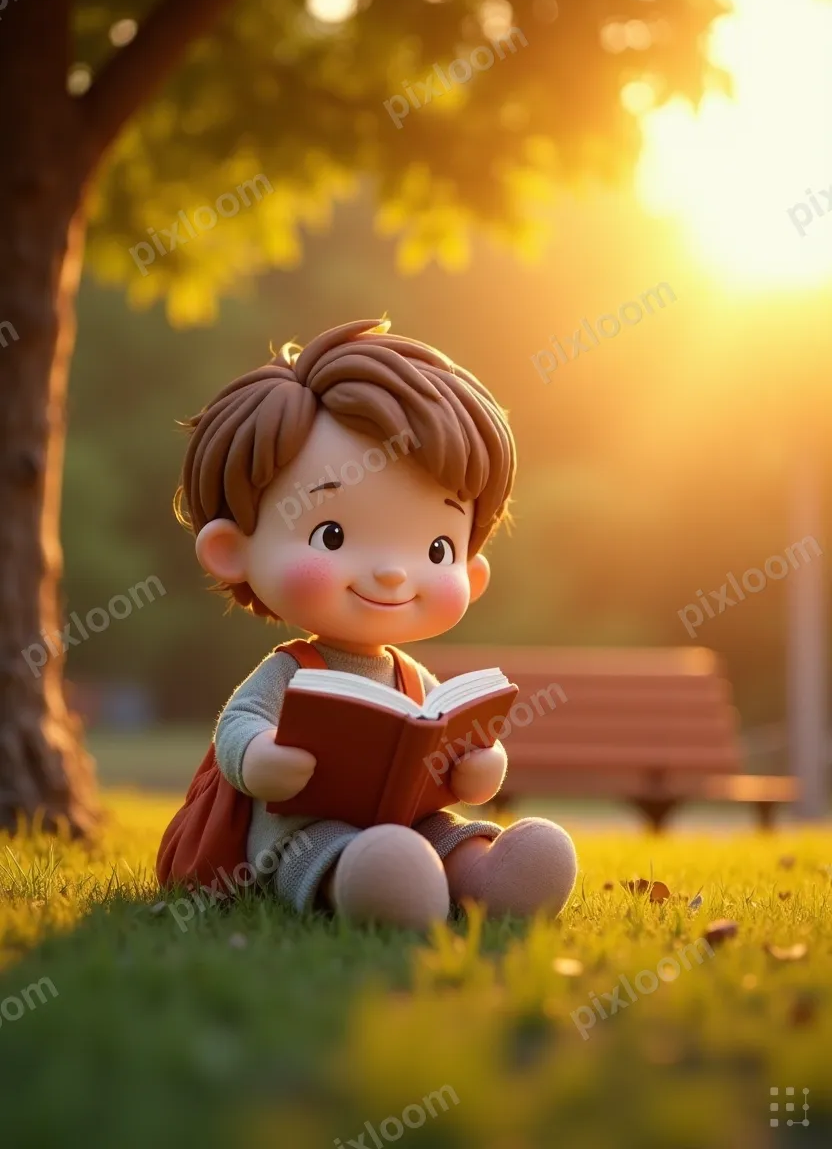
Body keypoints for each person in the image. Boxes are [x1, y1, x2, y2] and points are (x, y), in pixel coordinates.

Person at [171, 318, 577, 929]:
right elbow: (239, 725)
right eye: (331, 535)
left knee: (446, 836)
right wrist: (260, 758)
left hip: (410, 820)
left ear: (472, 566)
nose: (392, 573)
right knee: (334, 850)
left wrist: (478, 761)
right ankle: (374, 886)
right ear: (233, 549)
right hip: (301, 830)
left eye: (438, 549)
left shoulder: (411, 678)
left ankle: (490, 881)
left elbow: (454, 747)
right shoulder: (291, 670)